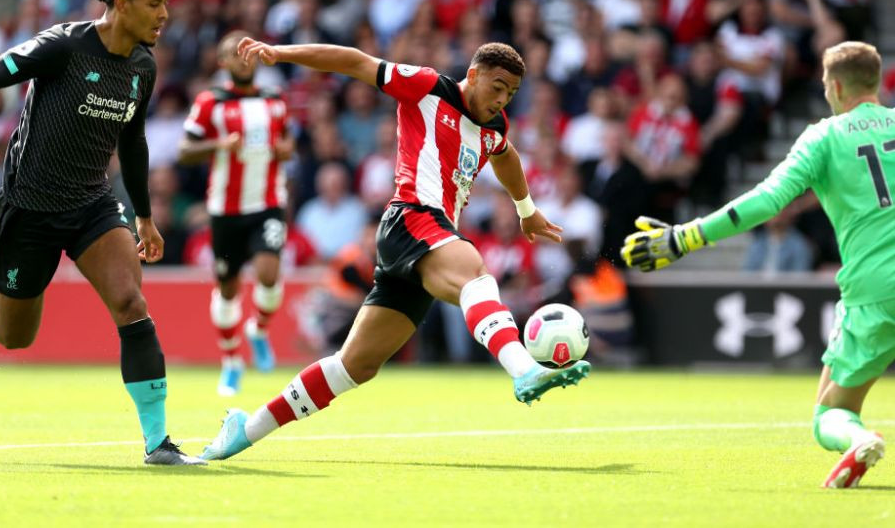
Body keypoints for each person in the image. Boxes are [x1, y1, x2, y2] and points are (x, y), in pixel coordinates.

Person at [200, 38, 591, 462]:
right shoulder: (426, 88)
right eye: (497, 86)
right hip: (411, 218)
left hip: (427, 244)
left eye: (512, 93)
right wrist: (282, 53)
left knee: (353, 367)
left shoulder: (495, 129)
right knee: (475, 275)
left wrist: (526, 210)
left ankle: (246, 428)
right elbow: (355, 61)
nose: (502, 99)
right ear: (473, 75)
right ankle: (524, 369)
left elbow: (506, 156)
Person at [0, 0, 204, 466]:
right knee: (12, 336)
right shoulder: (63, 47)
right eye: (155, 3)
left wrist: (145, 217)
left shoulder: (142, 66)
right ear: (121, 4)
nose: (164, 13)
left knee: (131, 304)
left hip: (92, 204)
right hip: (31, 209)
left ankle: (159, 444)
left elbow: (132, 142)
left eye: (167, 3)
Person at [621, 41, 889, 489]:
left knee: (830, 414)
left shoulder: (825, 135)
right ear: (875, 82)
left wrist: (685, 236)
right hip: (873, 287)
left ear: (836, 86)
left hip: (873, 290)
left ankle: (858, 439)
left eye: (826, 85)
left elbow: (768, 200)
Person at [178, 30, 294, 396]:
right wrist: (219, 145)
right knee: (227, 291)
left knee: (269, 273)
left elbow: (289, 142)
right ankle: (231, 361)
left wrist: (282, 149)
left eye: (249, 51)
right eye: (235, 52)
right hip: (225, 209)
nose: (244, 57)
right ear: (223, 62)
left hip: (267, 203)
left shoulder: (275, 101)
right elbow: (185, 151)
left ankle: (257, 331)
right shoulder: (211, 102)